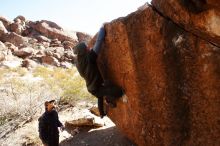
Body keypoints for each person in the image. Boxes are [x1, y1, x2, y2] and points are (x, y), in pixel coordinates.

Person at [73, 25, 124, 118]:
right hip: (96, 88)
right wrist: (102, 29)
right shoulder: (90, 57)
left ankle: (101, 113)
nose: (88, 48)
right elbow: (99, 42)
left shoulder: (79, 63)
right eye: (86, 48)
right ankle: (108, 99)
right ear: (84, 51)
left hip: (92, 87)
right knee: (119, 92)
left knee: (100, 96)